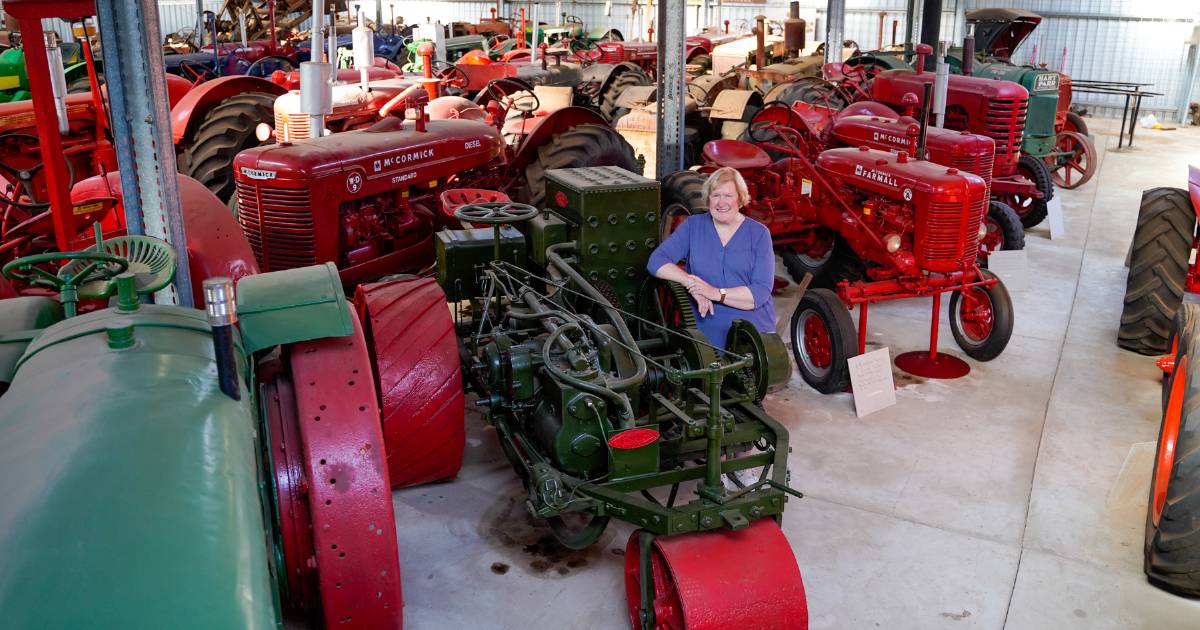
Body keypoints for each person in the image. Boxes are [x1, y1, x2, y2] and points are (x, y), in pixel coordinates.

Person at [647, 167, 776, 349]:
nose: (721, 202)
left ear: (740, 199)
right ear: (708, 199)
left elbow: (760, 292)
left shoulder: (759, 234)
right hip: (705, 323)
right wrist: (693, 284)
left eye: (728, 196)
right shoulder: (693, 226)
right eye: (715, 195)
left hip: (751, 329)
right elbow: (656, 261)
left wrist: (714, 292)